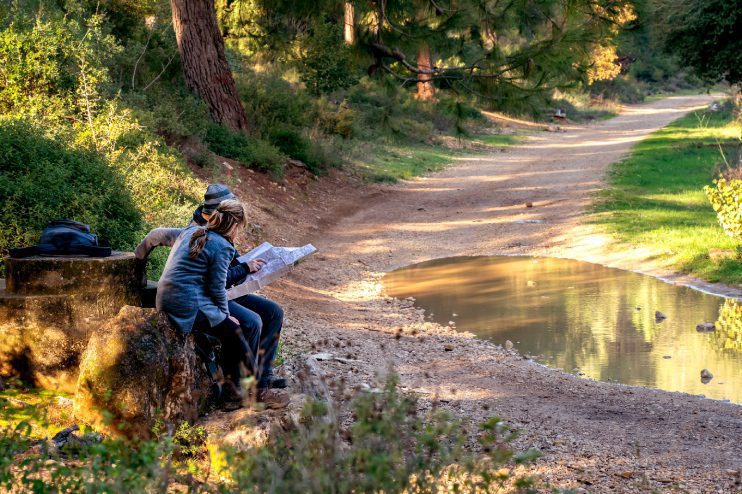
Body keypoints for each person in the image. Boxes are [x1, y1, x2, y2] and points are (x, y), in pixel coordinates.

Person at [153, 199, 288, 410]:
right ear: (234, 225)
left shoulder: (194, 232)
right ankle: (254, 391)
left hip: (171, 297)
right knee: (236, 330)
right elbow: (217, 288)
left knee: (238, 328)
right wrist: (224, 316)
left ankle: (241, 391)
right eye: (240, 228)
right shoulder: (222, 245)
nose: (239, 232)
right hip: (188, 305)